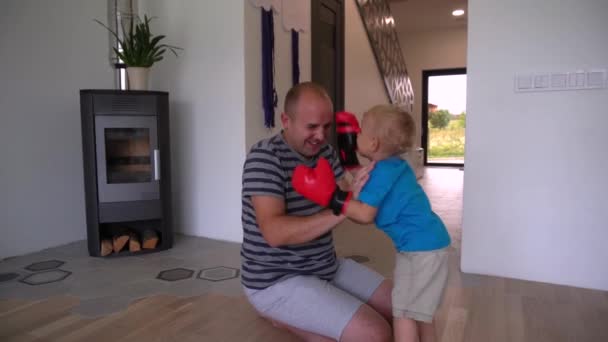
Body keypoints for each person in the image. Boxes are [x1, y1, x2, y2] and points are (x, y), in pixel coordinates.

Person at [240, 82, 393, 342]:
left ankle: (297, 318)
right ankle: (278, 313)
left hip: (325, 265)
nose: (321, 136)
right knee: (376, 334)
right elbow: (274, 233)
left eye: (327, 127)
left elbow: (354, 209)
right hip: (276, 280)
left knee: (403, 307)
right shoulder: (264, 158)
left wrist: (373, 188)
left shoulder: (326, 153)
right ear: (285, 120)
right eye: (312, 127)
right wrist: (343, 206)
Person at [292, 105, 451, 342]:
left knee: (404, 313)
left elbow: (365, 214)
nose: (356, 135)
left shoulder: (384, 173)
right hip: (424, 245)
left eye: (360, 132)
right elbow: (364, 180)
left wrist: (332, 198)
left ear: (374, 144)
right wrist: (349, 153)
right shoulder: (393, 165)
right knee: (419, 312)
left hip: (422, 250)